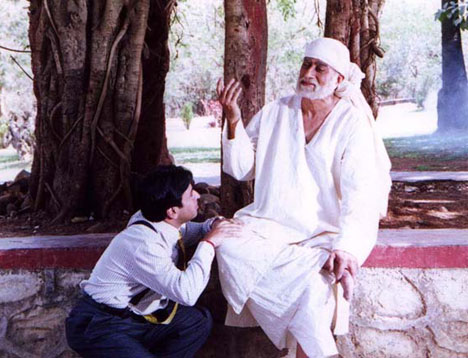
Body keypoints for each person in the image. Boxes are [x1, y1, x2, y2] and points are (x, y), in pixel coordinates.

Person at [216, 37, 392, 358]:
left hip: (320, 235)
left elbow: (360, 193)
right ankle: (313, 278)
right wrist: (233, 120)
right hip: (270, 229)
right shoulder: (276, 111)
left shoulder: (350, 123)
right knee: (228, 244)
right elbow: (242, 168)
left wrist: (347, 248)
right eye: (306, 64)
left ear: (339, 79)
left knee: (314, 293)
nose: (309, 73)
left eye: (320, 68)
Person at [65, 165, 242, 358]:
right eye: (191, 194)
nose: (198, 196)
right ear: (173, 211)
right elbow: (186, 293)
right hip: (100, 324)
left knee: (196, 321)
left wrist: (214, 225)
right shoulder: (143, 244)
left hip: (135, 318)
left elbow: (192, 230)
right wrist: (208, 243)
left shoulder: (157, 220)